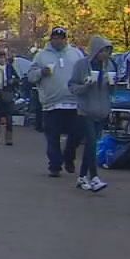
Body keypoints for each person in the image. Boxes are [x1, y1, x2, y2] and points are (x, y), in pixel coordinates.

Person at [28, 27, 85, 177]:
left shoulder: (76, 54)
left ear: (65, 39)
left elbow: (84, 72)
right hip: (51, 103)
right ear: (51, 39)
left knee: (77, 134)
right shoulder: (41, 56)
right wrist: (41, 72)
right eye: (55, 38)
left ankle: (69, 156)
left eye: (61, 38)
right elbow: (30, 76)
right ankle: (55, 165)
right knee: (53, 136)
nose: (58, 40)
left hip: (73, 102)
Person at [69, 35, 117, 192]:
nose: (105, 55)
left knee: (92, 144)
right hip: (85, 110)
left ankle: (82, 177)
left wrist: (112, 84)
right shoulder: (82, 65)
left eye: (108, 51)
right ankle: (94, 177)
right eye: (103, 51)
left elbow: (112, 91)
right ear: (96, 50)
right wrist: (86, 86)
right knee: (91, 142)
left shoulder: (110, 66)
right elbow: (72, 86)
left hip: (102, 110)